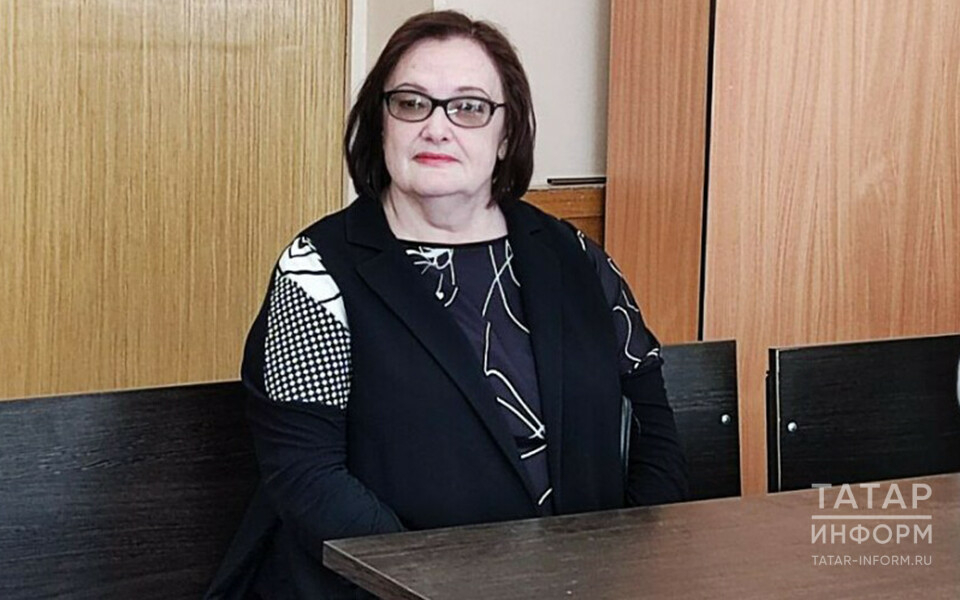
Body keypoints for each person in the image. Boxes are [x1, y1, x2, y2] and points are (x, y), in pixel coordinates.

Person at [206, 10, 687, 599]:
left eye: (469, 107)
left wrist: (626, 567)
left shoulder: (575, 257)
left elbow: (652, 425)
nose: (436, 127)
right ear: (380, 123)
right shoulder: (315, 270)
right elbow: (308, 478)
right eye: (411, 104)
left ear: (506, 133)